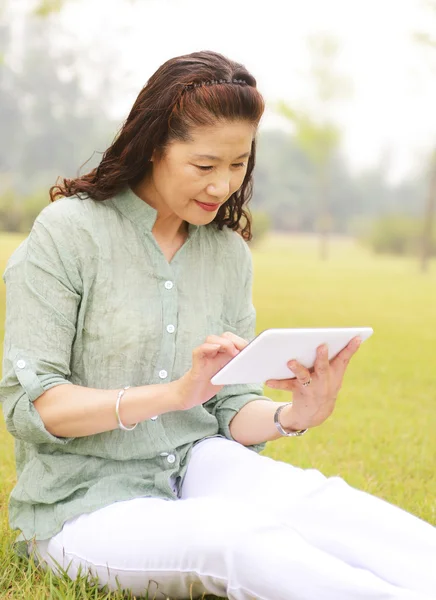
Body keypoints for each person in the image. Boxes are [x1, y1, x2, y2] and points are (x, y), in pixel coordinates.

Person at [0, 50, 434, 600]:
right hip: (86, 500)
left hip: (198, 464)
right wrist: (174, 394)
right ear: (153, 145)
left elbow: (229, 407)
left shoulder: (227, 253)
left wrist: (294, 414)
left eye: (238, 164)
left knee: (321, 505)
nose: (223, 185)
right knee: (234, 541)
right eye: (205, 166)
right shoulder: (69, 233)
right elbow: (33, 408)